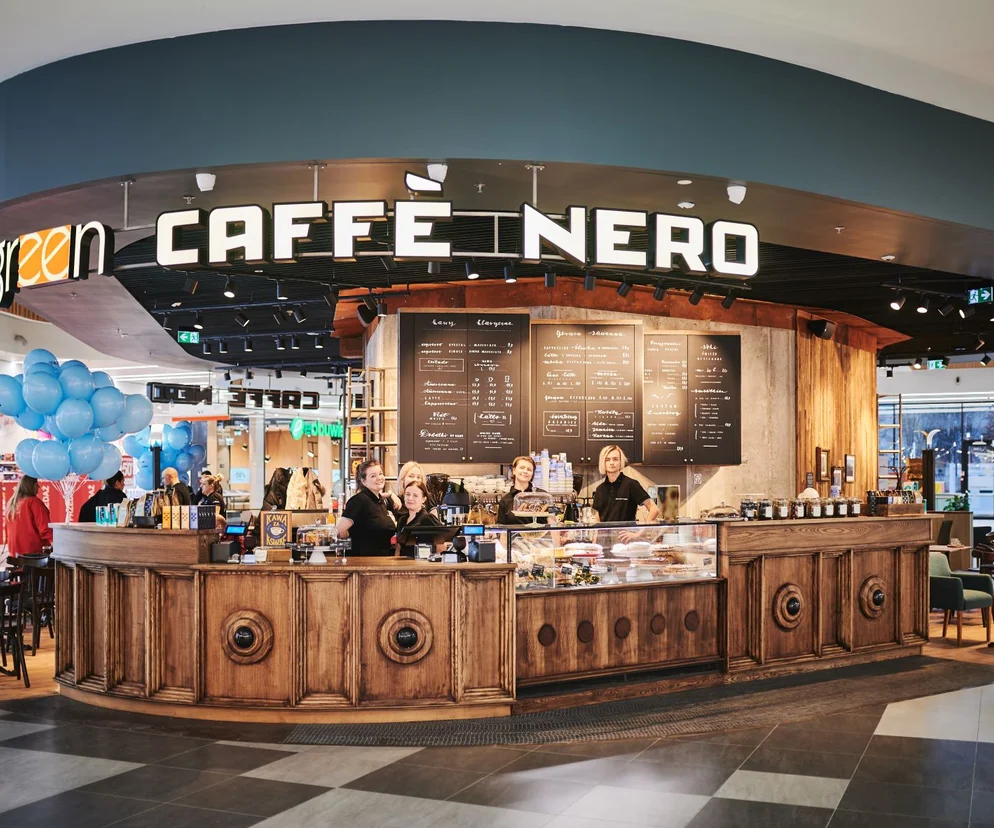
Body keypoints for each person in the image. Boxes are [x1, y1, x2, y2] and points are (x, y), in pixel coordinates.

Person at [336, 460, 395, 557]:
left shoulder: (380, 501)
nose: (379, 478)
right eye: (373, 476)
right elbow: (339, 531)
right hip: (363, 561)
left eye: (380, 474)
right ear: (364, 481)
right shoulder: (358, 501)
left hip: (382, 560)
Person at [592, 445, 659, 523]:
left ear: (621, 461)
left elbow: (654, 509)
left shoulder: (631, 484)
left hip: (625, 531)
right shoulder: (600, 489)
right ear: (603, 462)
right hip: (605, 531)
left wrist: (642, 529)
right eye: (607, 460)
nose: (612, 463)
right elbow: (597, 518)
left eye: (615, 459)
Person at [3, 476, 53, 558]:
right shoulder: (34, 502)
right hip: (34, 554)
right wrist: (56, 543)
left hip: (15, 554)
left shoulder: (12, 504)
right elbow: (44, 528)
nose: (39, 487)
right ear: (31, 486)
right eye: (36, 484)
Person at [395, 481, 443, 557]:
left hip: (424, 563)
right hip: (403, 563)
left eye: (415, 495)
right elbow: (398, 547)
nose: (410, 498)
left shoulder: (429, 519)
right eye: (407, 494)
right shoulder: (402, 520)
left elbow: (441, 544)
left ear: (424, 499)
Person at [496, 455, 546, 524]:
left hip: (540, 531)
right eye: (522, 468)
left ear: (532, 473)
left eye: (529, 469)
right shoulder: (505, 500)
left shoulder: (542, 495)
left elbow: (552, 521)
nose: (525, 471)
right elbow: (501, 528)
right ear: (514, 470)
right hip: (514, 532)